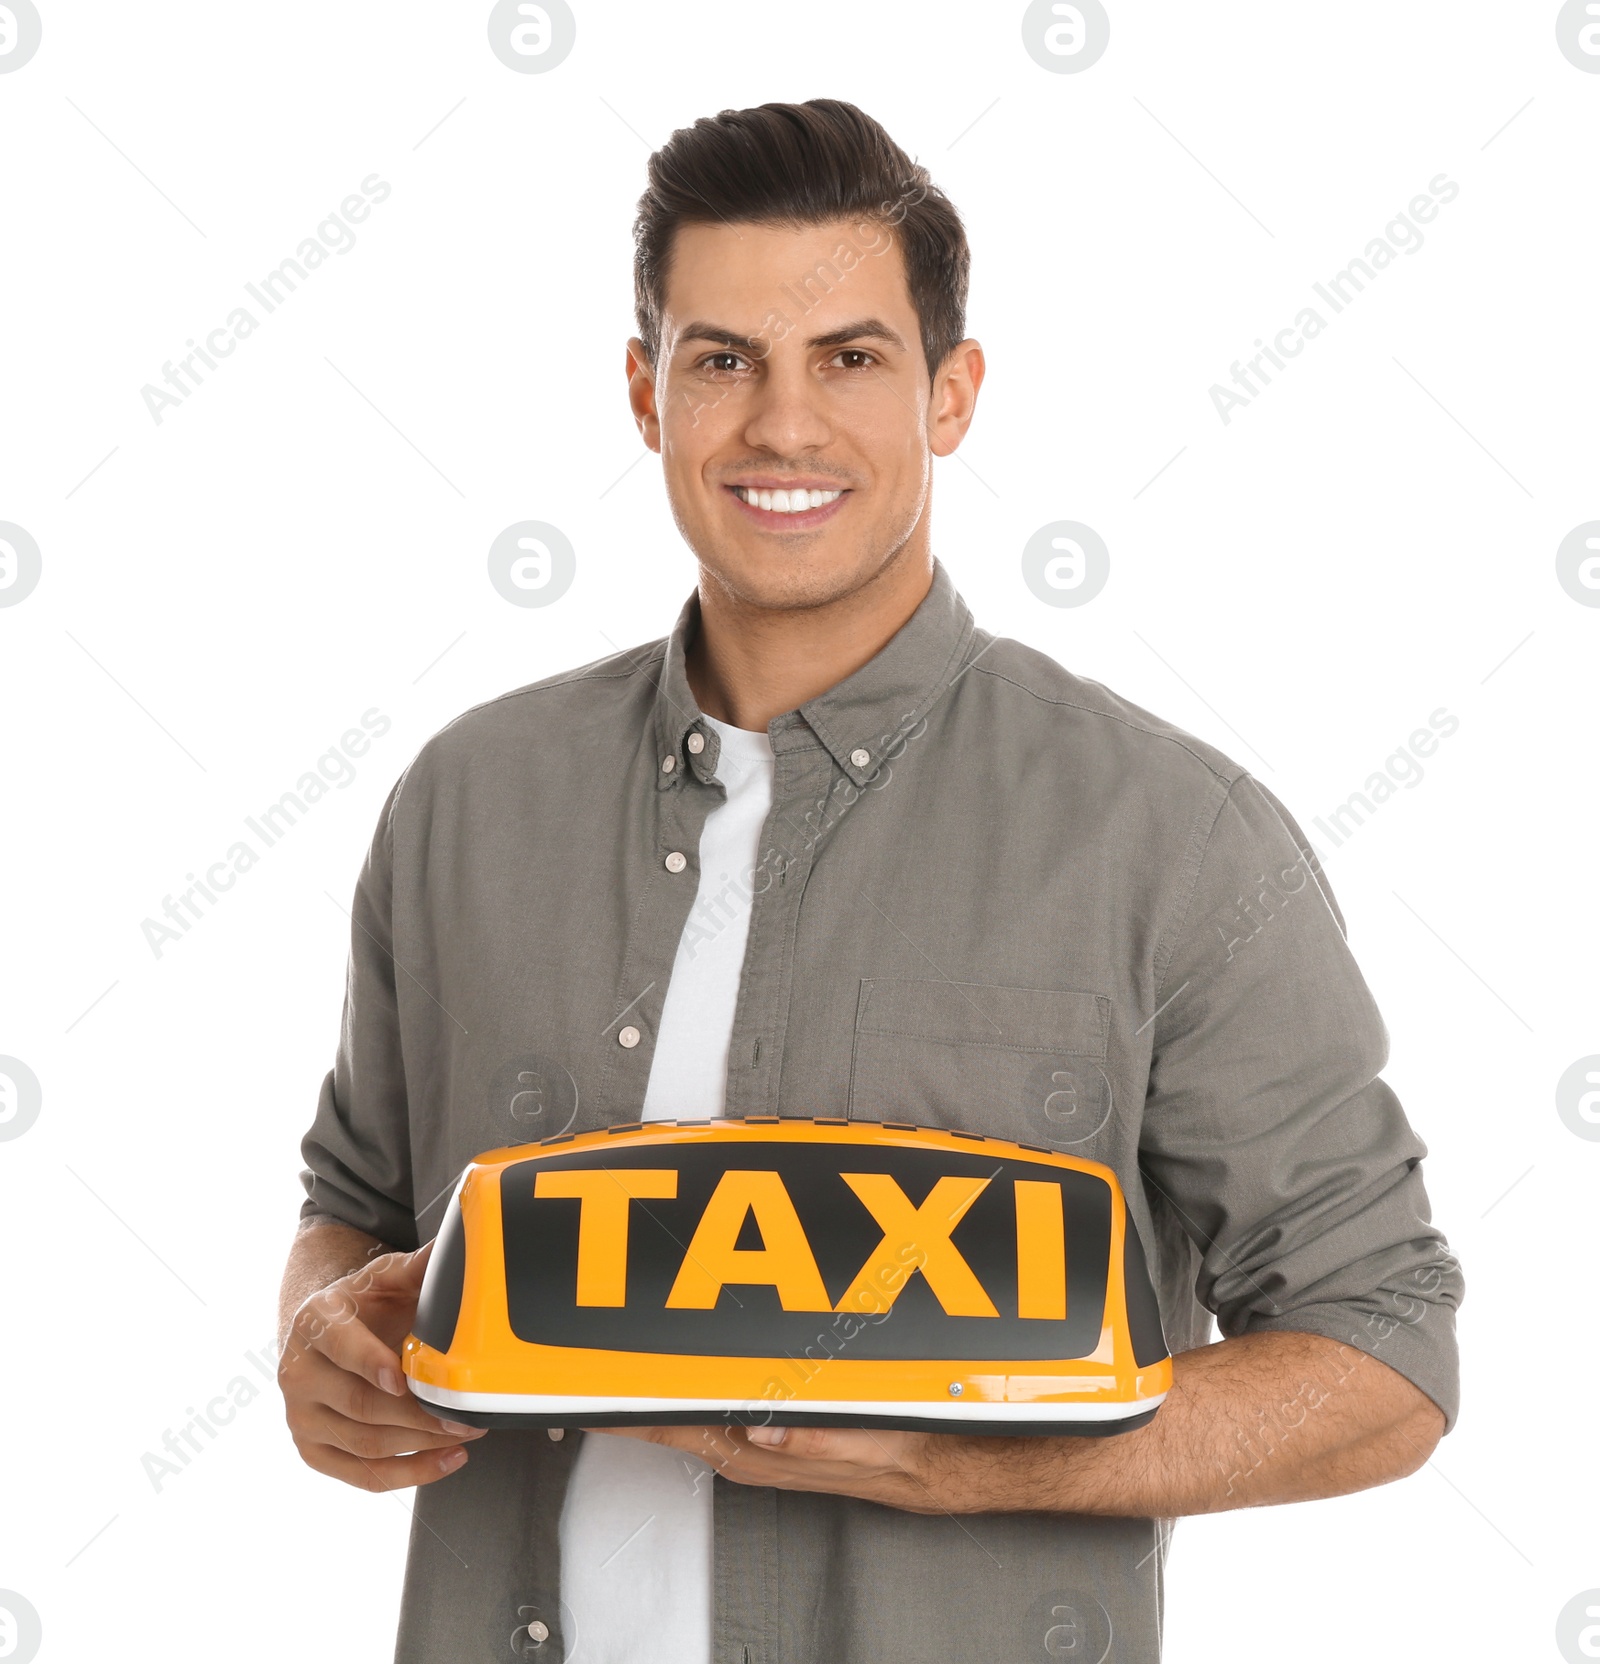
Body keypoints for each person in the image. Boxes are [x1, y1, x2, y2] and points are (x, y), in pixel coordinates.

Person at [276, 98, 1463, 1664]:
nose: (782, 426)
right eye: (722, 360)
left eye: (849, 357)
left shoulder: (1172, 836)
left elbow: (1385, 1353)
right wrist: (323, 1340)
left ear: (950, 393)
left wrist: (1005, 1465)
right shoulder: (467, 801)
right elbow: (355, 1210)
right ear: (646, 393)